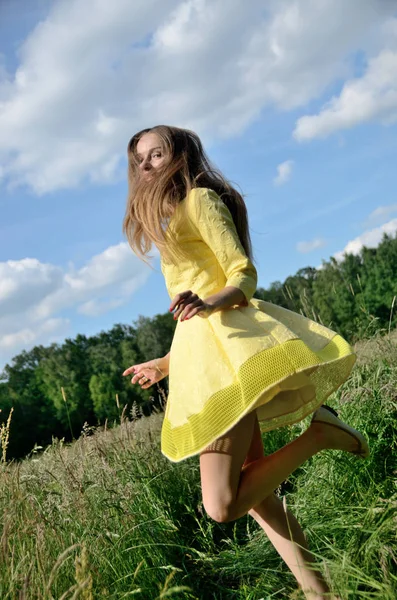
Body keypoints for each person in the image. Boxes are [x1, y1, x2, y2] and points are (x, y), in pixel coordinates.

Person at [122, 125, 369, 600]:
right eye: (140, 159)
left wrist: (212, 303)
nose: (148, 164)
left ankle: (322, 435)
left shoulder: (199, 202)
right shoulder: (170, 225)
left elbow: (243, 274)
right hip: (203, 360)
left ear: (180, 156)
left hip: (229, 361)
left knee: (222, 504)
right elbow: (191, 316)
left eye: (158, 154)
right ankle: (320, 593)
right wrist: (167, 362)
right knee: (258, 501)